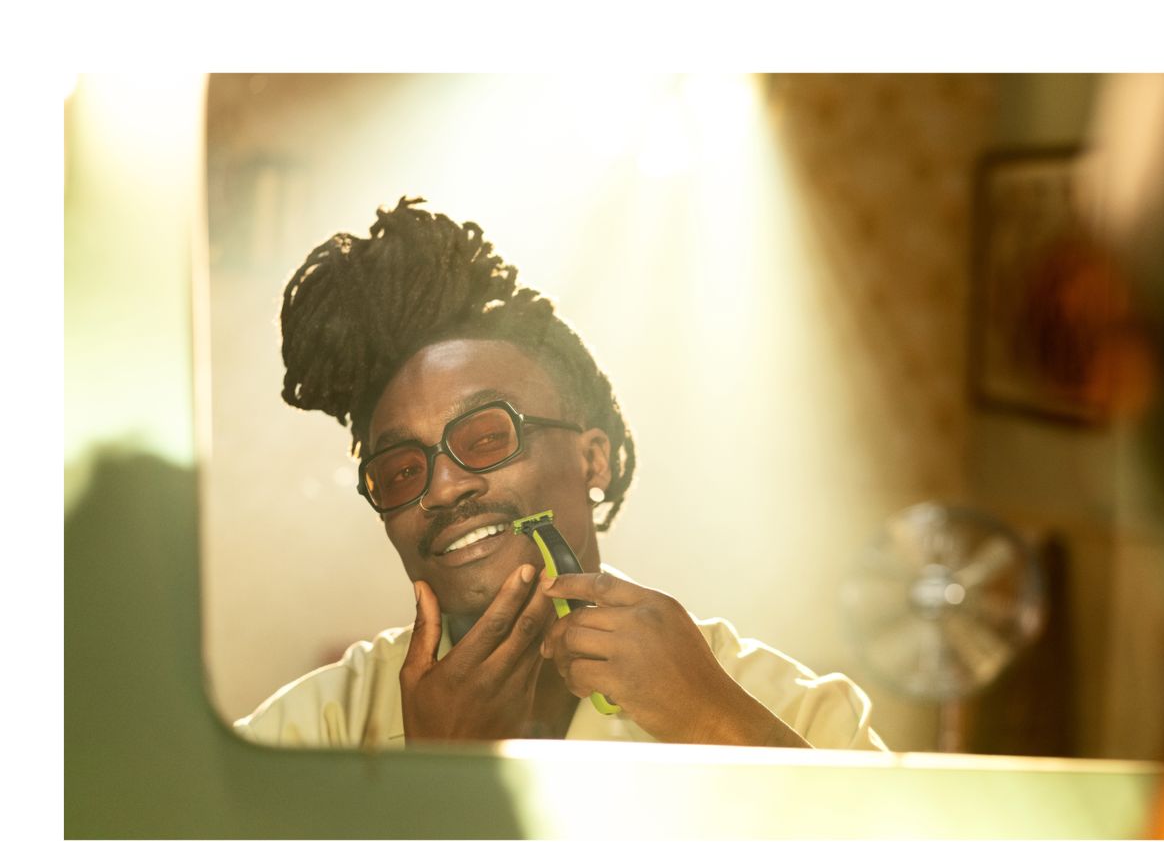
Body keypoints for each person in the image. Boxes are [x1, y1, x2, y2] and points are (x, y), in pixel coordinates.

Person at [235, 196, 886, 752]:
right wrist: (438, 781)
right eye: (402, 470)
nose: (443, 487)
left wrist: (713, 719)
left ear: (592, 458)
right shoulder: (306, 732)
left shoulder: (800, 715)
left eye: (486, 435)